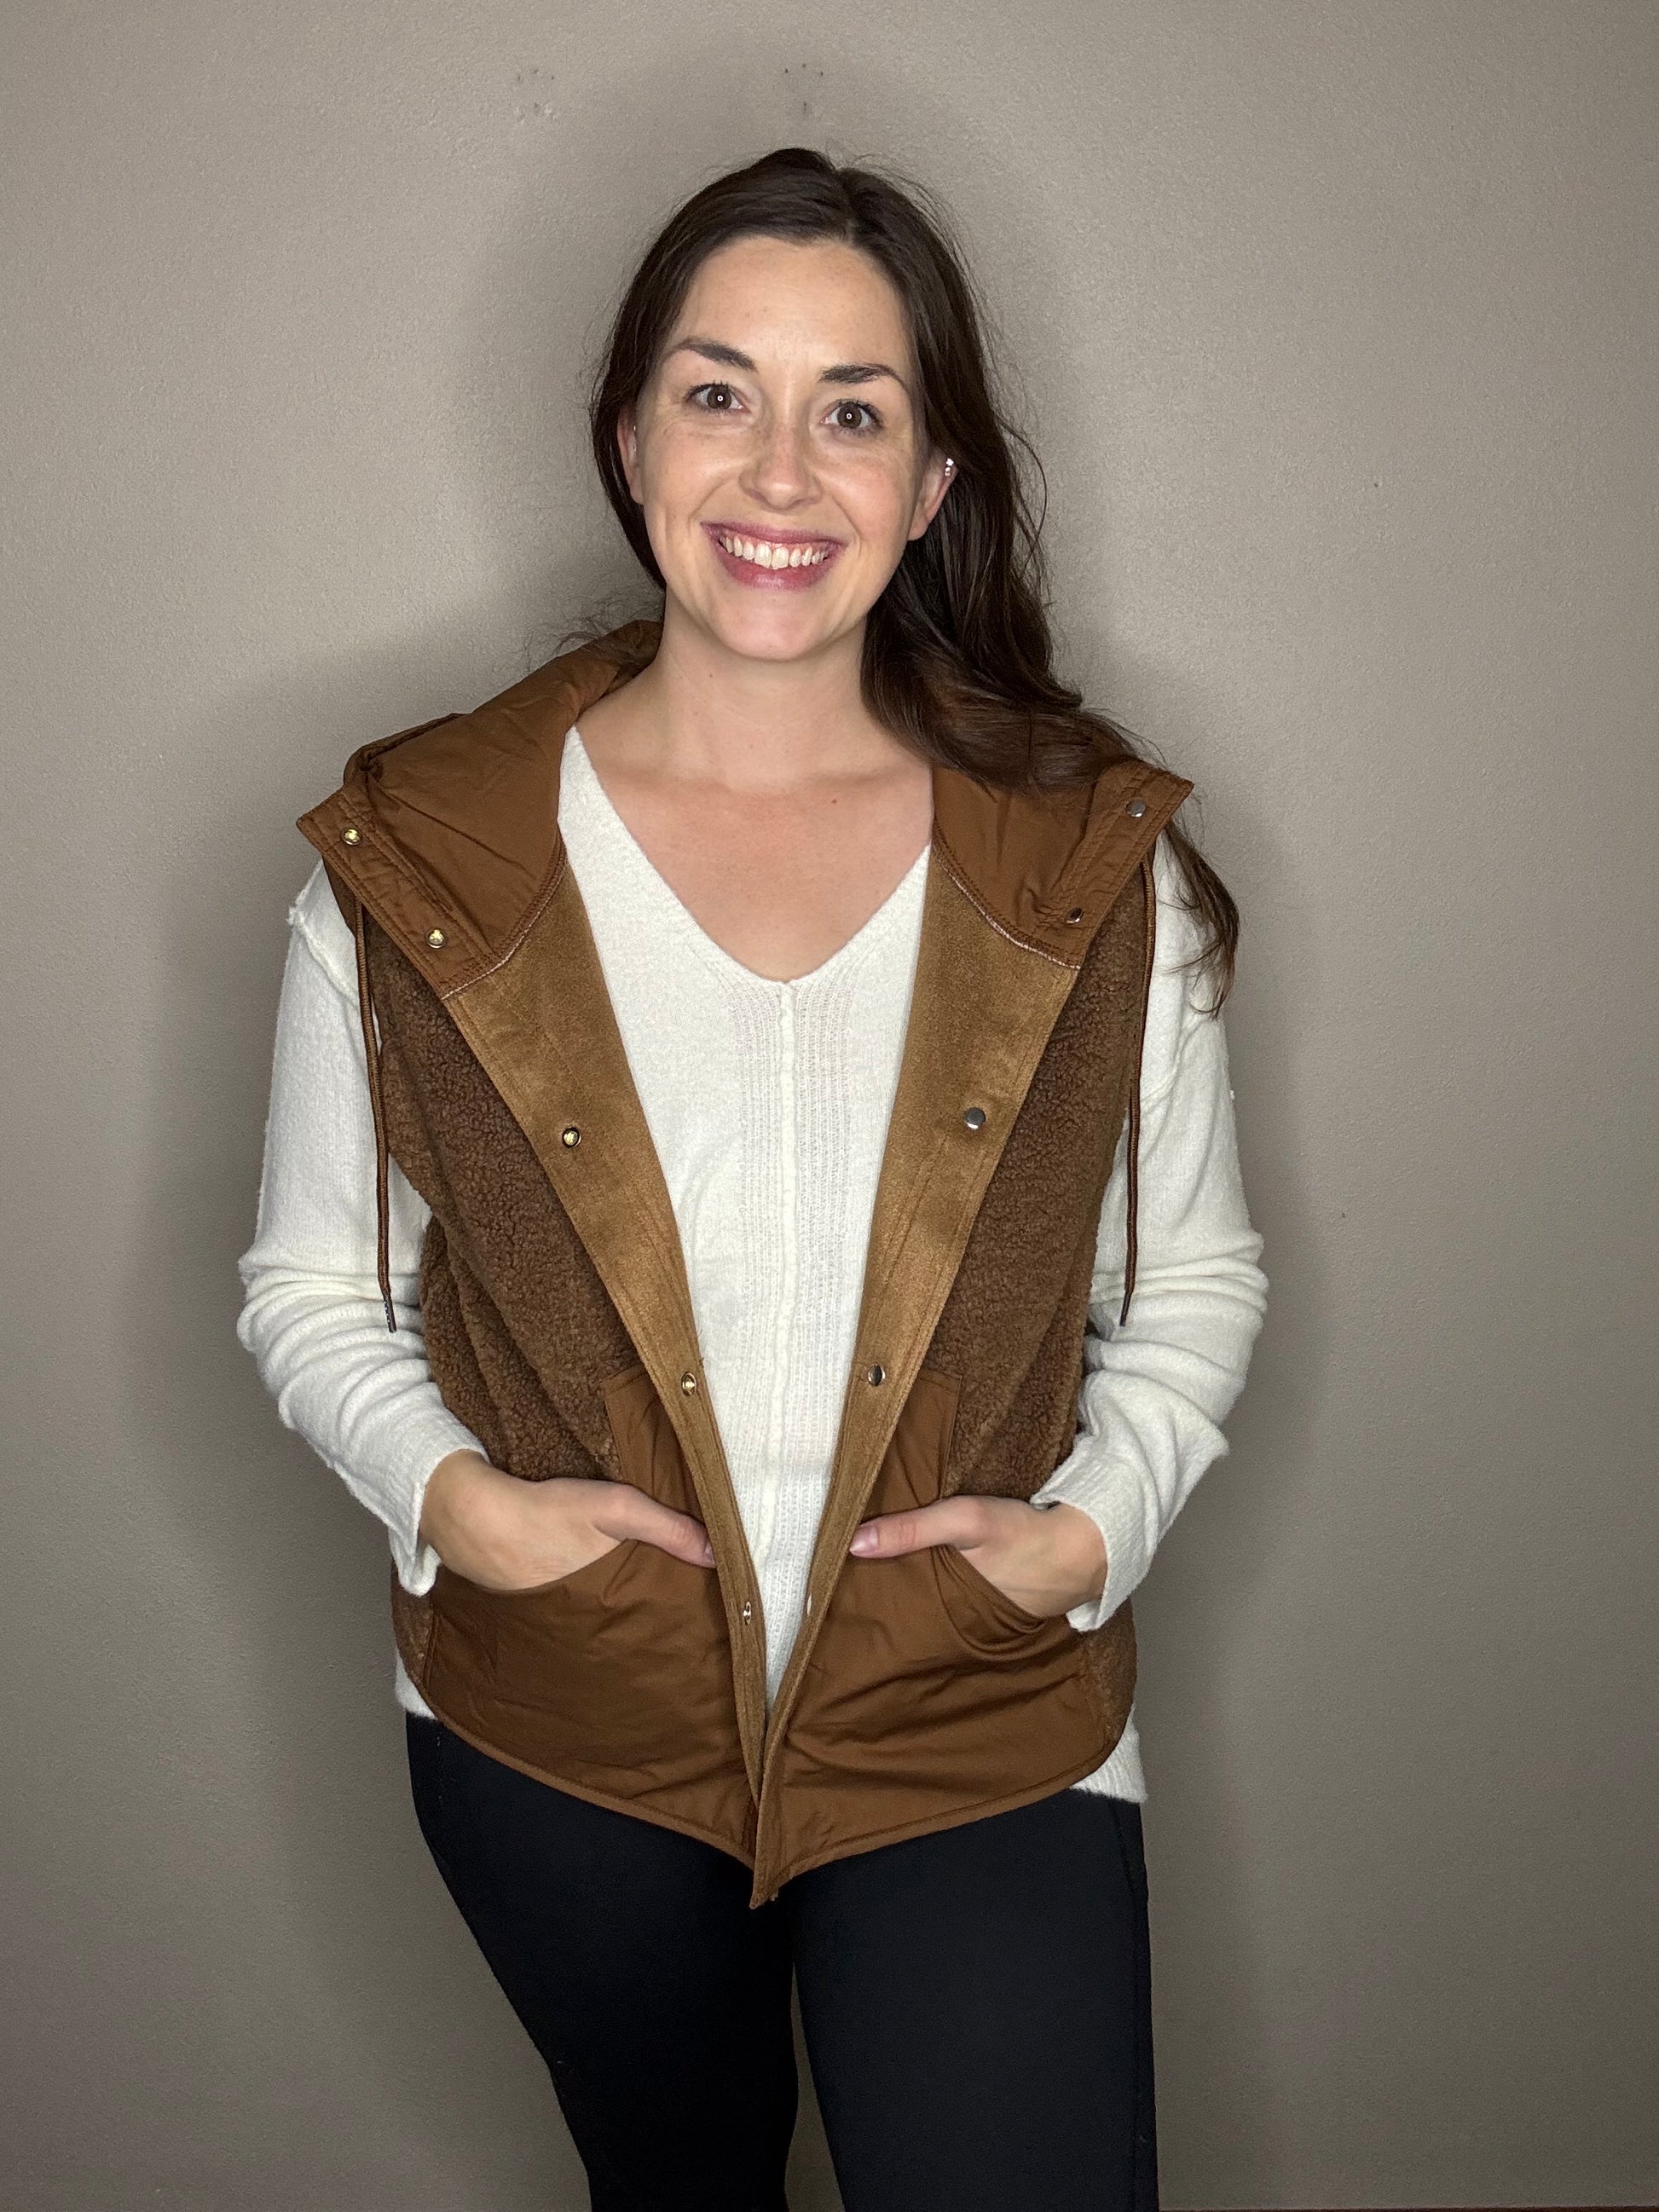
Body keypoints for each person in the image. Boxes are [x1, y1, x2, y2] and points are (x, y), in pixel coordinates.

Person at [237, 146, 1268, 2212]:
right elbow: (311, 1287)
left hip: (970, 1703)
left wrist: (1085, 1536)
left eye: (851, 411)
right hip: (574, 1713)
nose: (779, 471)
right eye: (718, 393)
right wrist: (462, 1509)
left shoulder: (1090, 863)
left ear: (931, 482)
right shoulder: (420, 857)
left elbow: (1192, 1280)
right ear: (630, 439)